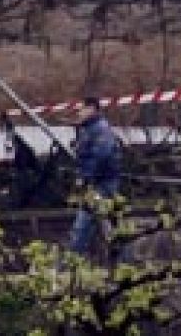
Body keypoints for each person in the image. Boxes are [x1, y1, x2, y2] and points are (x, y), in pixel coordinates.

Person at [69, 96, 122, 256]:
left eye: (82, 109)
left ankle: (74, 261)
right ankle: (119, 259)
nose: (79, 112)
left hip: (101, 183)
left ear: (92, 109)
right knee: (105, 223)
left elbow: (101, 156)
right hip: (97, 182)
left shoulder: (100, 129)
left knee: (84, 223)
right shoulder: (89, 129)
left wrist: (86, 177)